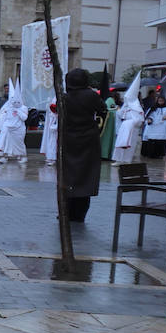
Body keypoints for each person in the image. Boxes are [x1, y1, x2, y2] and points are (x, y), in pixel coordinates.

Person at [60, 69, 106, 222]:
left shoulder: (64, 98)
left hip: (69, 139)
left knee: (68, 175)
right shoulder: (91, 95)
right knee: (86, 176)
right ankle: (79, 213)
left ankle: (66, 211)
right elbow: (102, 109)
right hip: (88, 140)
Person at [0, 81, 27, 163]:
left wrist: (18, 112)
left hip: (18, 128)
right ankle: (4, 156)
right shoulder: (7, 107)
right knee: (5, 142)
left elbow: (24, 118)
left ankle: (22, 155)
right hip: (8, 127)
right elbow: (2, 115)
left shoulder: (23, 108)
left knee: (19, 143)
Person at [112, 81, 144, 165]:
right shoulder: (125, 106)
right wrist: (118, 111)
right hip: (124, 127)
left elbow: (140, 120)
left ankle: (126, 160)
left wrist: (133, 123)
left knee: (130, 145)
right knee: (120, 143)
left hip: (132, 128)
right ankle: (118, 159)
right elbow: (120, 114)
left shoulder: (137, 107)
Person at [142, 94, 166, 159]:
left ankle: (160, 154)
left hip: (162, 127)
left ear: (164, 101)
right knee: (152, 140)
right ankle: (152, 154)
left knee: (161, 141)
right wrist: (149, 119)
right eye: (159, 101)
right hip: (153, 127)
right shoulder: (152, 108)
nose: (160, 102)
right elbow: (147, 116)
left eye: (162, 101)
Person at [41, 97, 58, 166]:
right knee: (52, 144)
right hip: (53, 133)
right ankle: (52, 157)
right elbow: (50, 124)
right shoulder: (52, 115)